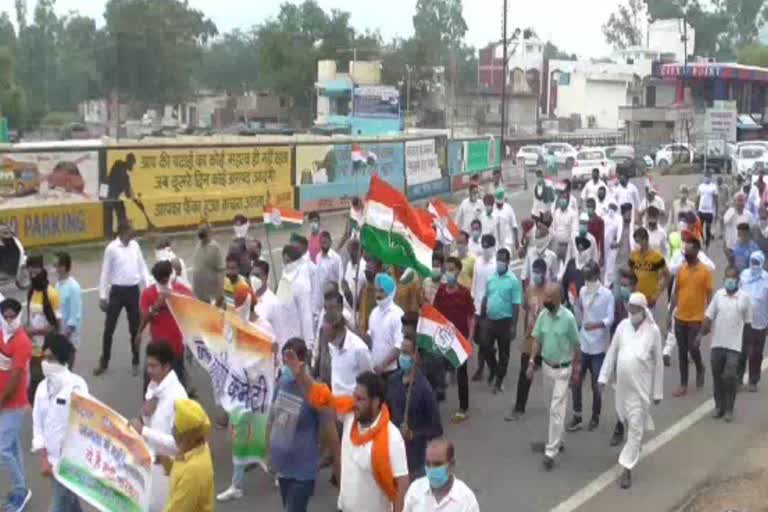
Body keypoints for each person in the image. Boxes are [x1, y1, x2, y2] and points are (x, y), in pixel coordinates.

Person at [283, 351, 410, 512]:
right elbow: (322, 396)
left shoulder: (392, 437)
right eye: (354, 396)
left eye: (361, 399)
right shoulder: (350, 415)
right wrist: (300, 374)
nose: (354, 403)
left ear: (376, 402)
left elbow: (402, 483)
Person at [244, 338, 337, 510]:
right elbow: (273, 419)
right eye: (284, 360)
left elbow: (328, 429)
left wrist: (323, 457)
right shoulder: (282, 384)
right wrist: (268, 452)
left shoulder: (317, 390)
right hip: (283, 467)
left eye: (290, 359)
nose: (286, 365)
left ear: (302, 361)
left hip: (304, 469)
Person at [598, 292, 663, 490]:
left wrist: (657, 392)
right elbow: (612, 352)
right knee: (626, 419)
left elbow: (658, 363)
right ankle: (634, 443)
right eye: (630, 308)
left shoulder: (653, 331)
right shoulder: (622, 327)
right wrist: (603, 377)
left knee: (635, 425)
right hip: (622, 386)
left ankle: (626, 468)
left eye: (636, 309)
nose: (632, 312)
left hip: (640, 388)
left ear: (643, 310)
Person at [129, 341, 188, 511]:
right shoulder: (154, 387)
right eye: (147, 365)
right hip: (149, 465)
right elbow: (151, 424)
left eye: (153, 366)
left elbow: (179, 444)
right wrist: (145, 417)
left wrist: (144, 430)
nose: (149, 371)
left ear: (166, 366)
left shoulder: (178, 398)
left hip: (166, 472)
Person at [527, 284, 581, 471]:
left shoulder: (568, 318)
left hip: (563, 370)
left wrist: (576, 369)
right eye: (545, 297)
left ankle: (550, 452)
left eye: (550, 297)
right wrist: (532, 361)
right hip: (547, 367)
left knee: (556, 410)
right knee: (550, 406)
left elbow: (576, 344)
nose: (545, 300)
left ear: (559, 299)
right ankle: (560, 439)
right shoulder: (543, 316)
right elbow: (537, 339)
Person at [32, 333, 87, 512]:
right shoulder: (41, 388)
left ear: (61, 359)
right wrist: (43, 459)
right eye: (44, 358)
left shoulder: (77, 386)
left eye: (51, 358)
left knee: (58, 505)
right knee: (69, 503)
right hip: (51, 460)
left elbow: (84, 425)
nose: (46, 363)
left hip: (69, 464)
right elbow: (37, 425)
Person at [96, 223, 150, 376]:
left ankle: (135, 361)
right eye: (130, 229)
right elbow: (105, 273)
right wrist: (102, 295)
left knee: (134, 329)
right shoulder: (112, 249)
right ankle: (104, 361)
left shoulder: (135, 246)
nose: (133, 231)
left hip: (133, 291)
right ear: (123, 231)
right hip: (117, 292)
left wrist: (148, 287)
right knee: (109, 329)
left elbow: (142, 267)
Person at [386, 337, 443, 478]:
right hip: (392, 453)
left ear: (416, 357)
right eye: (401, 352)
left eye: (406, 353)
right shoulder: (393, 381)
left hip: (414, 460)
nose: (402, 357)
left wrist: (413, 434)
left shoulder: (424, 389)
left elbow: (436, 429)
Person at [567, 261, 614, 432]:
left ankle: (595, 415)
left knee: (596, 385)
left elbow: (610, 319)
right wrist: (574, 303)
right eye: (584, 278)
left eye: (589, 277)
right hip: (583, 344)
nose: (587, 281)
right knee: (576, 381)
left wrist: (597, 325)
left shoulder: (607, 295)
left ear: (597, 276)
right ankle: (577, 415)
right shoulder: (583, 291)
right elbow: (580, 315)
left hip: (599, 348)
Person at [701, 266, 751, 422]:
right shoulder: (719, 295)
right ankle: (719, 407)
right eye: (727, 277)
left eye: (732, 277)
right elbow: (709, 316)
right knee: (717, 377)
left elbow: (748, 324)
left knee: (729, 377)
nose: (729, 280)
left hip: (734, 346)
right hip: (717, 344)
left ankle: (729, 409)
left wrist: (746, 346)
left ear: (737, 280)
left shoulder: (744, 298)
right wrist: (700, 334)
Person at [136, 261, 193, 389]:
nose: (164, 281)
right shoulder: (148, 293)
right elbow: (145, 316)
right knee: (152, 382)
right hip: (158, 348)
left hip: (176, 345)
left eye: (166, 278)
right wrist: (157, 305)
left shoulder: (179, 290)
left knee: (177, 380)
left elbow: (192, 308)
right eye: (161, 280)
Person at [670, 236, 713, 397]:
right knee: (682, 351)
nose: (685, 254)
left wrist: (709, 318)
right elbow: (675, 293)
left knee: (692, 347)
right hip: (680, 317)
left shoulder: (704, 272)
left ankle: (700, 366)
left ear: (696, 251)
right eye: (684, 252)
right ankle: (683, 384)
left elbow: (709, 294)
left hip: (696, 318)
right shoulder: (681, 270)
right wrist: (669, 314)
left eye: (688, 251)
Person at [433, 257, 476, 422]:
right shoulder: (441, 291)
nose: (448, 273)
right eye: (446, 269)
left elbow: (471, 317)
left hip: (460, 339)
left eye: (451, 269)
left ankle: (463, 407)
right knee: (438, 371)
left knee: (462, 374)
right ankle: (435, 402)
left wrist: (470, 338)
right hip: (444, 338)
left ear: (458, 271)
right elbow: (435, 314)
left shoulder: (464, 293)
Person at [505, 258, 547, 421]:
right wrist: (524, 333)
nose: (536, 275)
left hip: (547, 342)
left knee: (553, 376)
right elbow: (526, 312)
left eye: (539, 272)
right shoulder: (529, 290)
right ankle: (519, 407)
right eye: (534, 271)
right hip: (531, 339)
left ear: (545, 273)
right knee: (524, 375)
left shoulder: (551, 292)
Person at [0, 298, 32, 511]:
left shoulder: (22, 342)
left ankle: (20, 490)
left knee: (2, 448)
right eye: (6, 316)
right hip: (4, 403)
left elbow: (15, 378)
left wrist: (0, 401)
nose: (10, 320)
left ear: (19, 316)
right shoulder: (3, 336)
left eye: (13, 316)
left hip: (14, 404)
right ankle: (21, 488)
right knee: (12, 446)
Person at [161, 399, 214, 512]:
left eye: (176, 429)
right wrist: (169, 465)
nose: (172, 432)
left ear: (187, 437)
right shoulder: (198, 447)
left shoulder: (193, 472)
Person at [481, 248, 522, 393]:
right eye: (498, 259)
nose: (500, 263)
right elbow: (486, 298)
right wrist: (483, 315)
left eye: (503, 260)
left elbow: (516, 304)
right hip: (490, 320)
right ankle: (494, 369)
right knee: (485, 347)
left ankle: (499, 381)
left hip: (505, 321)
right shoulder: (491, 278)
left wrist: (514, 326)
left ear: (508, 262)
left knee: (504, 353)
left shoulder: (513, 281)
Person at [403, 438, 480, 512]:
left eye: (437, 464)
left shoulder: (466, 499)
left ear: (451, 464)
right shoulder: (415, 490)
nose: (431, 469)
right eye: (428, 463)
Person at [322, 294, 373, 395]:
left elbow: (369, 380)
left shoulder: (359, 349)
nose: (328, 340)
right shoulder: (332, 345)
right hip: (335, 402)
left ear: (339, 330)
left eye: (330, 336)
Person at [25, 256, 61, 401]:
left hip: (46, 350)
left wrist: (34, 332)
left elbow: (56, 324)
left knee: (42, 388)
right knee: (34, 391)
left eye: (36, 270)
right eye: (31, 272)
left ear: (42, 269)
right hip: (33, 349)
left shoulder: (51, 293)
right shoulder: (31, 291)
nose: (33, 274)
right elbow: (31, 316)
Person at [276, 245, 315, 356]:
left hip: (296, 342)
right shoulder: (284, 279)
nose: (284, 264)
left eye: (287, 261)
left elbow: (306, 314)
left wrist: (309, 344)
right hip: (283, 338)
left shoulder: (300, 283)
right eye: (283, 261)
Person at [739, 251, 768, 392]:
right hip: (744, 321)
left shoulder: (766, 279)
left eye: (757, 262)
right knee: (741, 351)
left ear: (762, 263)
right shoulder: (744, 275)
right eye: (753, 262)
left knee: (756, 353)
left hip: (760, 321)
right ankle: (738, 379)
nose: (754, 265)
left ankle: (753, 380)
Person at [367, 273, 405, 381]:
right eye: (376, 290)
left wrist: (383, 365)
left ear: (390, 292)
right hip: (374, 371)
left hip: (392, 372)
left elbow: (399, 345)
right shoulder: (374, 313)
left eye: (381, 291)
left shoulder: (397, 314)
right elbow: (370, 338)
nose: (378, 294)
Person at [470, 234, 496, 381]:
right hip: (477, 306)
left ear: (492, 247)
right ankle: (487, 362)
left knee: (486, 340)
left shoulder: (495, 265)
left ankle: (488, 368)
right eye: (483, 246)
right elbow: (475, 282)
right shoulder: (478, 262)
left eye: (488, 247)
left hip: (489, 309)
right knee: (478, 339)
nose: (485, 249)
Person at [628, 227, 669, 309]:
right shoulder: (633, 256)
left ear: (645, 240)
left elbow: (667, 276)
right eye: (635, 242)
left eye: (638, 242)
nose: (637, 245)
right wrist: (631, 291)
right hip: (637, 298)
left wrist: (657, 294)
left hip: (650, 299)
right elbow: (631, 276)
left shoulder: (657, 257)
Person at [54, 252, 82, 367]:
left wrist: (67, 333)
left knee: (67, 369)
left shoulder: (73, 287)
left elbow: (76, 314)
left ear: (64, 267)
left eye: (57, 265)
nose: (55, 268)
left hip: (68, 335)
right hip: (59, 331)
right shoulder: (57, 285)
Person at [191, 221, 225, 305]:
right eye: (199, 230)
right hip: (199, 294)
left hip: (210, 296)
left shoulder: (214, 247)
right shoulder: (198, 245)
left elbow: (221, 272)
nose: (200, 232)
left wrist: (219, 295)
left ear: (210, 232)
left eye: (203, 230)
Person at [521, 214, 558, 285]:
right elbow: (524, 276)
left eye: (540, 237)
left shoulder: (552, 256)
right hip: (532, 292)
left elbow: (555, 277)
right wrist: (525, 294)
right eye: (536, 237)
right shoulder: (530, 253)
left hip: (547, 293)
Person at [341, 239, 367, 327]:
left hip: (356, 315)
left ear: (360, 251)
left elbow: (360, 302)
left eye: (354, 251)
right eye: (349, 251)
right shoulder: (349, 265)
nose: (351, 254)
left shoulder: (363, 269)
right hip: (345, 310)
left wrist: (347, 291)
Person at [603, 201, 621, 288]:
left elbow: (619, 232)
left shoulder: (618, 219)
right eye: (610, 207)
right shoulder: (604, 218)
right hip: (603, 245)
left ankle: (608, 285)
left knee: (610, 265)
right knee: (604, 264)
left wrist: (616, 240)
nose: (611, 210)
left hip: (612, 246)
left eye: (614, 207)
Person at [585, 198, 605, 264]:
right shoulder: (583, 219)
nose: (589, 208)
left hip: (594, 250)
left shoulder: (600, 221)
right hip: (584, 250)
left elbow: (602, 239)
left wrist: (602, 255)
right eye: (587, 206)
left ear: (594, 207)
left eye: (590, 206)